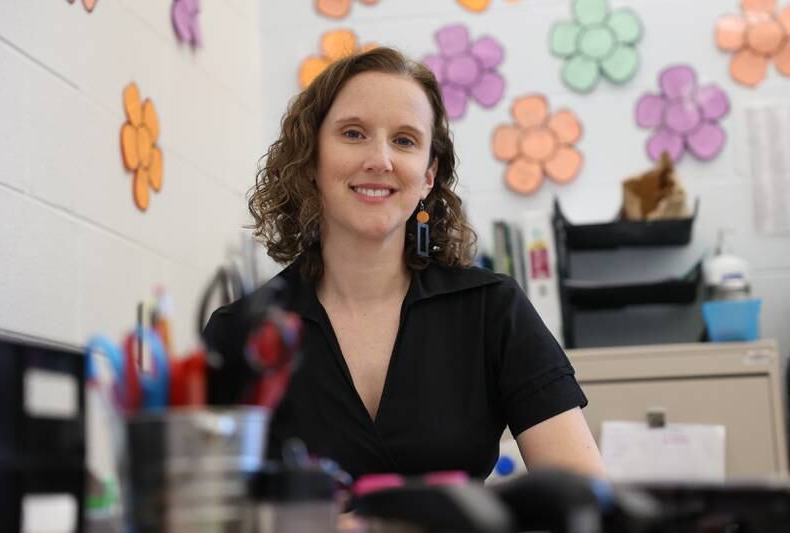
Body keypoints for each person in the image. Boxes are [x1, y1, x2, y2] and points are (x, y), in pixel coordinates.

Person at [204, 46, 605, 481]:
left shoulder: (493, 309)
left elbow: (585, 499)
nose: (381, 160)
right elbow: (202, 515)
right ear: (312, 159)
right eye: (354, 133)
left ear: (428, 175)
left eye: (405, 140)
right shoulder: (239, 333)